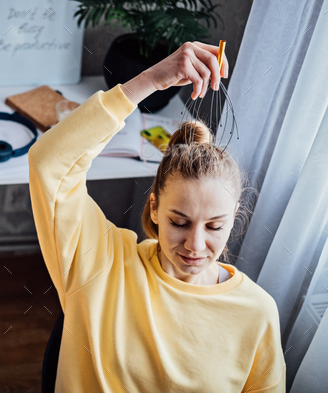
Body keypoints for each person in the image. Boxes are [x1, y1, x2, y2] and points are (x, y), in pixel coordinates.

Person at [29, 41, 286, 392]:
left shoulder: (258, 313)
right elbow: (49, 163)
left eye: (214, 226)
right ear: (154, 207)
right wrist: (148, 81)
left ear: (234, 219)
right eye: (179, 222)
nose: (195, 245)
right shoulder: (101, 265)